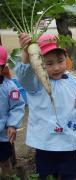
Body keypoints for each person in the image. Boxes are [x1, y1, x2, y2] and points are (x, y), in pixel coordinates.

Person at [16, 33, 76, 180]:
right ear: (39, 63)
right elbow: (24, 77)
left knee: (72, 176)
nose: (56, 67)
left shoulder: (73, 82)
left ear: (66, 59)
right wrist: (26, 54)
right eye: (49, 63)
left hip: (70, 144)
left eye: (60, 61)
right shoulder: (36, 84)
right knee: (47, 176)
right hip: (45, 145)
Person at [0, 45, 25, 176]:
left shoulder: (9, 87)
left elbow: (17, 106)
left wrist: (12, 125)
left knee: (4, 162)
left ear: (3, 67)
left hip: (2, 134)